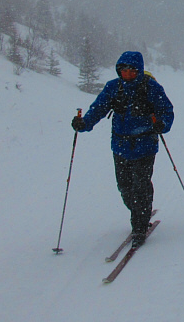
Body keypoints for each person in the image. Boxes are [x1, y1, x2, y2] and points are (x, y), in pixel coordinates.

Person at [71, 51, 174, 247]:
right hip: (120, 146)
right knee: (125, 187)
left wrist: (162, 124)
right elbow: (98, 108)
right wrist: (84, 123)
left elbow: (166, 110)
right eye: (124, 71)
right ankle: (138, 212)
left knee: (141, 186)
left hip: (145, 146)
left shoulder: (150, 87)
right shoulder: (113, 87)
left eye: (132, 71)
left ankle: (139, 227)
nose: (127, 74)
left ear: (139, 71)